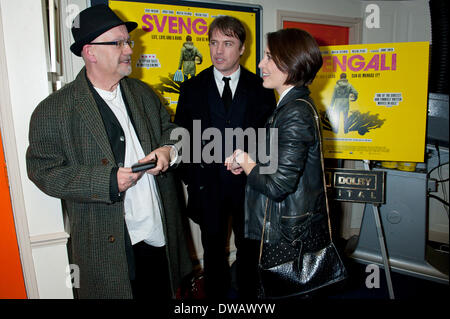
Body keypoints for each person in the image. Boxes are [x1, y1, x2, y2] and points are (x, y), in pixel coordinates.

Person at [26, 4, 192, 299]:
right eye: (118, 43)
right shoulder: (53, 111)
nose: (129, 49)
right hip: (105, 249)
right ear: (90, 52)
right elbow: (43, 171)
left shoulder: (143, 93)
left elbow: (175, 133)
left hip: (158, 235)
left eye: (128, 41)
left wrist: (168, 151)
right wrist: (105, 182)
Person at [225, 28, 334, 297]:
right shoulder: (290, 106)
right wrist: (249, 163)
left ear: (290, 62)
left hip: (287, 233)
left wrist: (247, 161)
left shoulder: (295, 112)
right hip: (283, 225)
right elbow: (281, 162)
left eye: (268, 57)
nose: (261, 64)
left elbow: (277, 186)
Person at [174, 16, 276, 299]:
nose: (218, 51)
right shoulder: (192, 88)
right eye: (213, 43)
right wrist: (193, 178)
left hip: (250, 188)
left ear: (242, 48)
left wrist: (250, 165)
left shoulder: (262, 88)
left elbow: (269, 137)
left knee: (249, 250)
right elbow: (181, 136)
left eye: (227, 43)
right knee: (213, 251)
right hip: (208, 188)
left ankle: (247, 298)